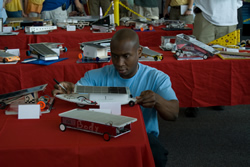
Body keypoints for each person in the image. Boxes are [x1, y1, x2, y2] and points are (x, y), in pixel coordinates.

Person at [52, 28, 179, 167]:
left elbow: (173, 113)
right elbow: (77, 93)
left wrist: (157, 100)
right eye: (115, 56)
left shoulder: (157, 78)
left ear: (139, 52)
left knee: (158, 156)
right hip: (102, 130)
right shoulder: (95, 76)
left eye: (126, 56)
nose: (119, 63)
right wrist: (70, 89)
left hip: (139, 134)